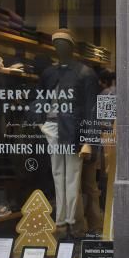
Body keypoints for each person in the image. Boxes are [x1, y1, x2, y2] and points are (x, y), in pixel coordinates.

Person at [36, 29, 101, 239]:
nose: (59, 48)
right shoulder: (49, 73)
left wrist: (88, 141)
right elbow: (41, 100)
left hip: (73, 131)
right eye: (56, 44)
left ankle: (72, 223)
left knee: (72, 177)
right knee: (58, 176)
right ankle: (61, 222)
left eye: (63, 44)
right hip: (52, 128)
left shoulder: (85, 73)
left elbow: (92, 108)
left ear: (71, 47)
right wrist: (40, 122)